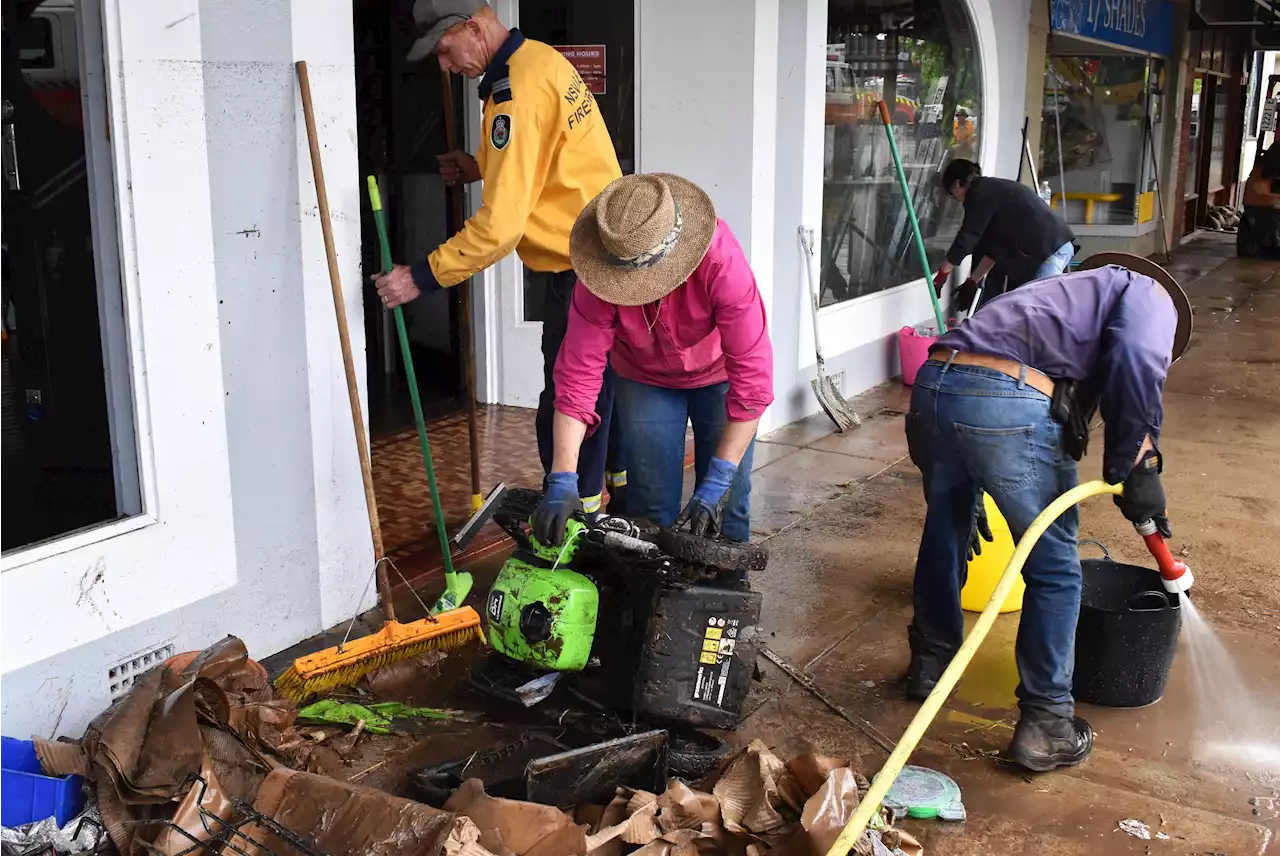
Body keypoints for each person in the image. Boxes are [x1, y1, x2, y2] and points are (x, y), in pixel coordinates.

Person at [903, 264, 1185, 773]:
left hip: (931, 389)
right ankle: (1047, 724)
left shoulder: (1060, 291)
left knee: (946, 530)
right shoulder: (1151, 294)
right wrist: (1138, 460)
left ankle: (930, 664)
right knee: (1053, 564)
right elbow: (1138, 358)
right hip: (998, 398)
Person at [374, 0, 623, 515]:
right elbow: (542, 157)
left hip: (581, 271)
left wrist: (421, 277)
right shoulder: (537, 60)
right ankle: (606, 503)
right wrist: (478, 165)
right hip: (601, 256)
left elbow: (501, 228)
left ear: (473, 27)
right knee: (596, 391)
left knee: (567, 404)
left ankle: (577, 524)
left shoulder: (515, 91)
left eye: (445, 50)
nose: (445, 66)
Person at [530, 173, 774, 548]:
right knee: (650, 506)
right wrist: (563, 477)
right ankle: (657, 598)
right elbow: (578, 379)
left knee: (729, 503)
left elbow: (754, 382)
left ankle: (728, 594)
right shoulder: (597, 277)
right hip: (643, 377)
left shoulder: (722, 261)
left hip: (719, 375)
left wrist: (719, 479)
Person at [934, 159, 1075, 307]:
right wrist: (973, 281)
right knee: (1028, 309)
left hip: (1049, 250)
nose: (956, 199)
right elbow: (995, 248)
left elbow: (967, 237)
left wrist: (942, 274)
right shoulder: (992, 191)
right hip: (1055, 246)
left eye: (951, 194)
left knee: (1037, 310)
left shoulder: (978, 193)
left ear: (957, 184)